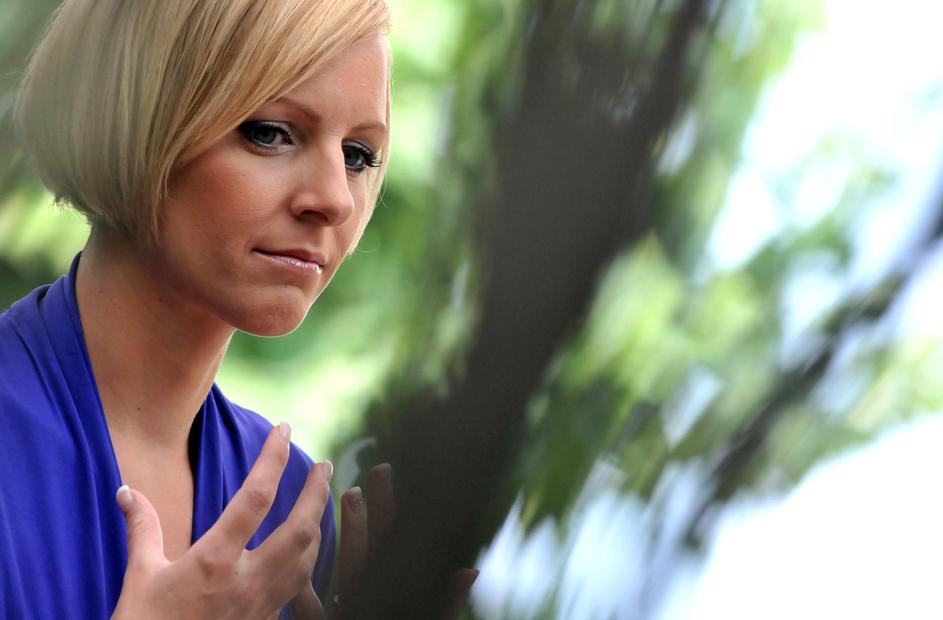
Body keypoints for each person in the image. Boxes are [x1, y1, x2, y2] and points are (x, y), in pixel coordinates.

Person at [0, 0, 392, 617]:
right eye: (271, 132)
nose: (335, 199)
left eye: (357, 155)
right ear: (131, 120)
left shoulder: (290, 508)